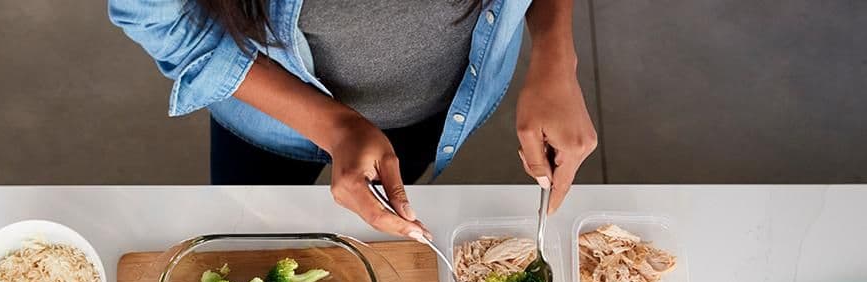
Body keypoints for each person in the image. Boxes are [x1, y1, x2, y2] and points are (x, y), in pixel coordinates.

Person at [109, 0, 597, 239]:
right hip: (262, 111)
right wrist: (334, 126)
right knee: (247, 236)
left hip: (433, 106)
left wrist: (557, 57)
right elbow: (157, 17)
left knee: (382, 222)